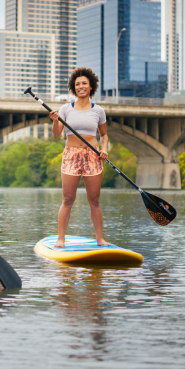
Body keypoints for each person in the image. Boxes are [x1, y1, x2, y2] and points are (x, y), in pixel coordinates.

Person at [49, 67, 109, 248]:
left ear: (91, 86)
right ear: (73, 88)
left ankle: (99, 239)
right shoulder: (66, 109)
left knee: (94, 200)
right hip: (70, 156)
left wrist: (104, 149)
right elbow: (56, 135)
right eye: (77, 84)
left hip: (93, 156)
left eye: (84, 83)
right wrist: (54, 120)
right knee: (68, 199)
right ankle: (61, 239)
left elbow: (104, 135)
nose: (80, 86)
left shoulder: (98, 111)